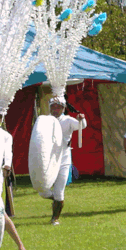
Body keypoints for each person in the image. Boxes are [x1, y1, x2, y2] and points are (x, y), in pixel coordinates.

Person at [37, 96, 86, 225]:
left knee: (59, 191)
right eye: (53, 107)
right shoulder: (45, 121)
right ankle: (56, 200)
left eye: (58, 107)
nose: (55, 110)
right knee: (43, 190)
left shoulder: (68, 120)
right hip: (48, 159)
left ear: (63, 108)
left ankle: (55, 218)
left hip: (64, 159)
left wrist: (82, 119)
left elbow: (82, 126)